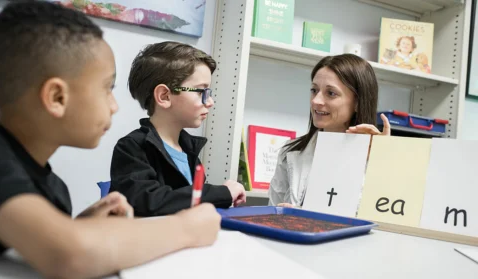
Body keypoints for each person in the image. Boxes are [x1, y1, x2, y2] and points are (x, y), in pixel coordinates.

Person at [0, 2, 220, 278]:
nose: (114, 106)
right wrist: (186, 228)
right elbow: (68, 255)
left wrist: (80, 225)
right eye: (107, 88)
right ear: (57, 98)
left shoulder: (51, 187)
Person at [110, 41, 246, 217]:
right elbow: (149, 202)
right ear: (164, 96)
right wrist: (222, 193)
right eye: (200, 92)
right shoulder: (132, 147)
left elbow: (190, 203)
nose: (210, 102)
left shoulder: (188, 149)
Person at [268, 54, 391, 207]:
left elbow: (382, 221)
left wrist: (384, 159)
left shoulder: (377, 158)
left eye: (331, 93)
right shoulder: (290, 151)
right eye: (314, 90)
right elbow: (272, 213)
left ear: (358, 103)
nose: (316, 101)